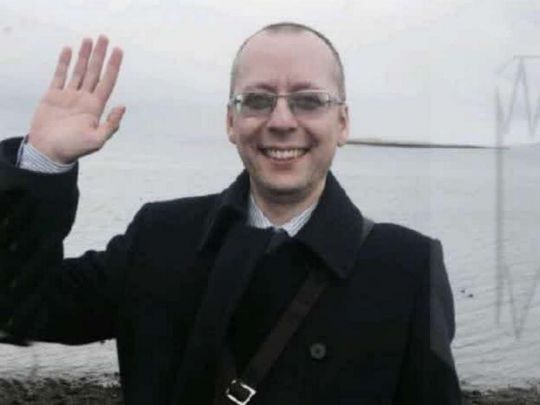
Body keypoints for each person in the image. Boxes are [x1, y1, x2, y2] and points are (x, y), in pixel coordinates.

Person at [0, 22, 462, 404]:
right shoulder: (160, 237)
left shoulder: (407, 267)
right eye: (257, 100)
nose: (281, 121)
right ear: (230, 122)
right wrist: (43, 162)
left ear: (342, 123)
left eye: (309, 100)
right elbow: (17, 310)